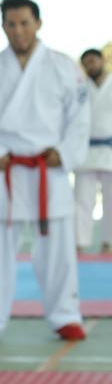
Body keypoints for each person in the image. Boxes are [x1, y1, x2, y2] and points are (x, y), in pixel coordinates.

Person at [0, 0, 89, 343]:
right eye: (10, 24)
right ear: (3, 26)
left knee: (58, 248)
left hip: (49, 166)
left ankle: (66, 314)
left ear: (38, 23)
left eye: (24, 23)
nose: (17, 30)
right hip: (6, 166)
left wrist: (63, 153)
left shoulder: (63, 67)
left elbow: (80, 119)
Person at [74, 46, 112, 254]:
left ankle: (108, 243)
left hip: (110, 149)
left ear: (102, 61)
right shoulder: (79, 88)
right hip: (85, 151)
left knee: (111, 201)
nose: (91, 65)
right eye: (86, 63)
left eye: (93, 61)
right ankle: (79, 243)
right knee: (82, 200)